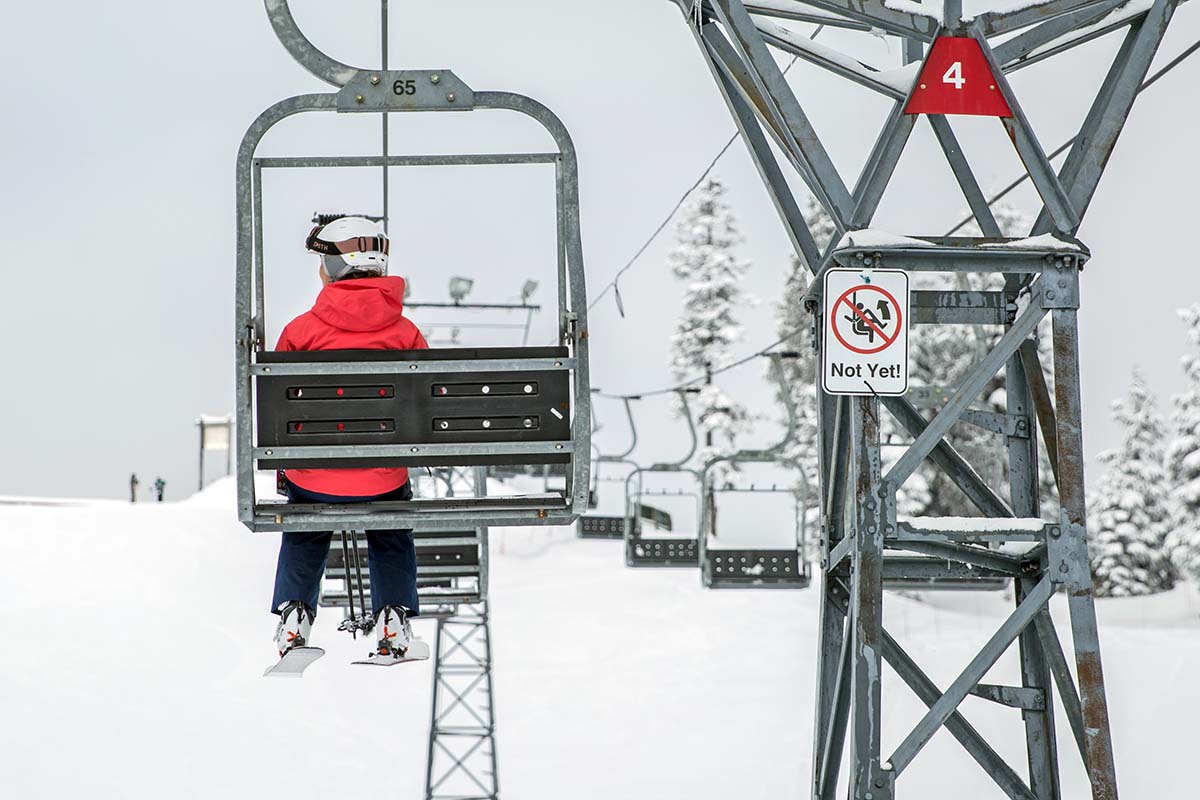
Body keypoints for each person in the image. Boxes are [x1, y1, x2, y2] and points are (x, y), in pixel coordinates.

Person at [271, 214, 428, 664]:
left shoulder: (300, 332)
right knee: (391, 526)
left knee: (305, 526)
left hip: (313, 478)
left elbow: (274, 409)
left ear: (335, 267)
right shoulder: (405, 333)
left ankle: (294, 618)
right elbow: (426, 404)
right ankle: (392, 620)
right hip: (382, 479)